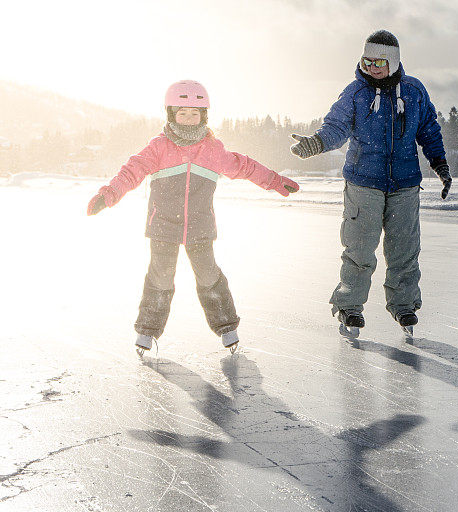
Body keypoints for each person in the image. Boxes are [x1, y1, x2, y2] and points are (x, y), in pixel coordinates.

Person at [87, 80, 299, 354]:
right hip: (162, 225)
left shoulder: (212, 150)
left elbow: (244, 166)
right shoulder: (159, 147)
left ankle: (227, 327)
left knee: (208, 275)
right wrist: (109, 194)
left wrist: (274, 180)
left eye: (195, 114)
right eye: (182, 113)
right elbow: (133, 170)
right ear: (171, 114)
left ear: (204, 116)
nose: (188, 119)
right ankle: (147, 331)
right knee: (161, 276)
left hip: (200, 226)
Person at [289, 30, 449, 333]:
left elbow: (428, 129)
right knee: (359, 250)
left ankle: (404, 306)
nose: (372, 66)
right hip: (363, 183)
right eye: (368, 60)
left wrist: (440, 163)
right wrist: (316, 144)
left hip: (404, 184)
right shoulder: (355, 93)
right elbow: (336, 127)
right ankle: (349, 306)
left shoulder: (414, 92)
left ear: (393, 62)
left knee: (404, 249)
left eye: (379, 61)